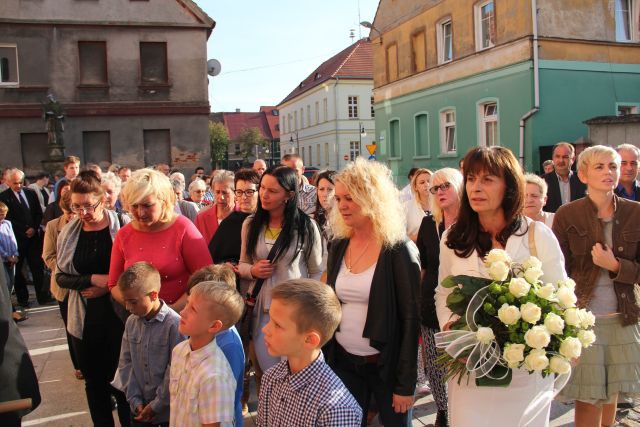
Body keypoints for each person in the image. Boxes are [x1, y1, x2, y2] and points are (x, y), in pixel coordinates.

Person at [435, 147, 567, 427]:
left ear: (509, 186)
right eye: (471, 179)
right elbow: (443, 292)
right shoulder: (452, 237)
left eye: (487, 179)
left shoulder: (537, 235)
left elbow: (560, 297)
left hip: (523, 371)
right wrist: (452, 329)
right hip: (469, 369)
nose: (476, 188)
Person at [324, 158, 421, 427]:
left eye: (350, 198)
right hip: (343, 364)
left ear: (372, 198)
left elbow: (411, 320)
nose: (342, 205)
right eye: (339, 198)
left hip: (385, 366)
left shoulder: (398, 250)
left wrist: (405, 384)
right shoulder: (339, 245)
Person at [553, 145, 640, 427]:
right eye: (600, 167)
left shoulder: (635, 213)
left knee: (611, 394)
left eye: (613, 166)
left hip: (622, 319)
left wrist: (615, 266)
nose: (609, 172)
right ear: (583, 174)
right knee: (588, 398)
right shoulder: (567, 214)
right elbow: (557, 270)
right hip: (583, 320)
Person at [55, 170, 130, 427]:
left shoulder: (123, 225)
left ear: (104, 200)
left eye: (89, 206)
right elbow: (61, 277)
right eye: (77, 207)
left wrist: (108, 286)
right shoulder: (69, 233)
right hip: (84, 318)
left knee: (122, 382)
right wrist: (92, 280)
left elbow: (135, 272)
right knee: (94, 383)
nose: (83, 213)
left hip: (119, 316)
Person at [238, 165, 322, 378]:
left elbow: (317, 271)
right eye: (262, 188)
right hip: (263, 313)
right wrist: (253, 270)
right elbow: (243, 264)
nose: (264, 195)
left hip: (296, 314)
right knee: (270, 374)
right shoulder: (250, 224)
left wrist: (310, 309)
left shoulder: (306, 226)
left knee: (298, 373)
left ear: (289, 195)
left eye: (273, 191)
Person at [257, 279, 362, 426]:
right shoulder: (271, 378)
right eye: (270, 320)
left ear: (309, 340)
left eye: (277, 325)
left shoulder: (337, 409)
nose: (265, 330)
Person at [108, 168, 212, 313]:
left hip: (182, 318)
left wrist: (168, 312)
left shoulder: (183, 228)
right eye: (134, 206)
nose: (141, 212)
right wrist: (140, 308)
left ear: (163, 201)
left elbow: (206, 279)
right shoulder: (124, 235)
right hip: (140, 321)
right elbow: (114, 284)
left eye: (147, 205)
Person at [416, 168, 464, 427]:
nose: (440, 191)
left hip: (464, 303)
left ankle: (459, 411)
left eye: (446, 185)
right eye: (435, 188)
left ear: (459, 186)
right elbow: (423, 266)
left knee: (460, 363)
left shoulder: (473, 223)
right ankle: (444, 410)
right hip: (431, 301)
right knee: (435, 366)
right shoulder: (428, 224)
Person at [111, 262, 184, 427]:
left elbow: (175, 371)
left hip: (167, 414)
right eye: (126, 301)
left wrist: (156, 405)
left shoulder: (174, 325)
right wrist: (135, 400)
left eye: (133, 302)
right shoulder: (131, 322)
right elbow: (125, 363)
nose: (128, 307)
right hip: (138, 409)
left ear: (153, 295)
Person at [170, 281, 244, 427]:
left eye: (193, 309)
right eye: (187, 304)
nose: (182, 312)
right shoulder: (179, 351)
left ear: (214, 326)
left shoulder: (215, 376)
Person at [186, 264, 246, 425]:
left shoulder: (229, 346)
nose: (184, 312)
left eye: (194, 308)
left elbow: (223, 397)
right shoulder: (200, 331)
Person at [42, 192, 81, 378]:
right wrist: (65, 269)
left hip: (85, 285)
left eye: (74, 211)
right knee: (71, 327)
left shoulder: (86, 224)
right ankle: (79, 365)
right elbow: (48, 255)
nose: (72, 216)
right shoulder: (53, 226)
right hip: (64, 285)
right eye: (68, 212)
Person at [0, 168, 51, 306]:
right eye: (15, 183)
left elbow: (38, 213)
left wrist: (34, 228)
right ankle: (23, 299)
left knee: (37, 267)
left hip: (33, 238)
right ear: (9, 182)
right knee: (18, 271)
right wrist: (24, 230)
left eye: (21, 182)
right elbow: (8, 218)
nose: (18, 185)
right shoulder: (4, 197)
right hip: (17, 239)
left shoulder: (30, 193)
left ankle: (43, 296)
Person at [208, 169, 259, 270]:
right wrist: (225, 265)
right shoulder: (229, 223)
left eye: (249, 192)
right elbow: (213, 258)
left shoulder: (270, 219)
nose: (244, 197)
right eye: (239, 192)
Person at [195, 171, 237, 246]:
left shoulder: (244, 216)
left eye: (225, 192)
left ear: (235, 193)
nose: (221, 197)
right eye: (217, 192)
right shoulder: (202, 219)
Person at [543, 142, 586, 212]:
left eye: (565, 157)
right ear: (553, 158)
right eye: (557, 156)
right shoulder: (543, 181)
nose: (561, 160)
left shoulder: (583, 180)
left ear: (573, 159)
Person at [0, 201, 24, 322]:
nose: (2, 216)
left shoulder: (7, 223)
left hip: (12, 258)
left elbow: (12, 239)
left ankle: (10, 311)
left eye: (4, 214)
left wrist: (15, 254)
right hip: (2, 260)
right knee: (6, 284)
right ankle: (10, 312)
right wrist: (6, 256)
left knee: (11, 285)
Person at [314, 170, 337, 271]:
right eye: (321, 189)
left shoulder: (347, 221)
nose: (325, 194)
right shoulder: (312, 219)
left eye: (330, 189)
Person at [405, 168, 432, 241]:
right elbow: (400, 238)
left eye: (429, 181)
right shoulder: (406, 207)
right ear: (415, 187)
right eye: (422, 182)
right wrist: (421, 237)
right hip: (416, 250)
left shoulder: (441, 204)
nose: (427, 184)